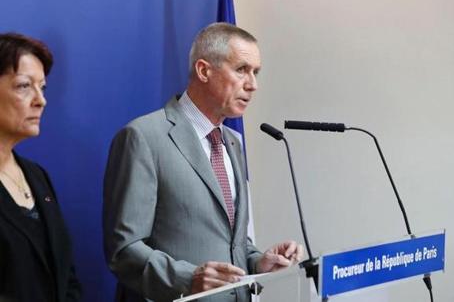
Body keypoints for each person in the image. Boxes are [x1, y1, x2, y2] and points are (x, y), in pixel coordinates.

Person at [103, 22, 303, 302]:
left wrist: (258, 261)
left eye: (256, 72)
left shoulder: (232, 142)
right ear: (203, 70)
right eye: (241, 69)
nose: (252, 85)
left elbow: (229, 241)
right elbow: (124, 249)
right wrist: (187, 278)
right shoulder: (144, 137)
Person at [0, 33, 82, 302]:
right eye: (24, 86)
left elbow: (65, 275)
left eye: (42, 87)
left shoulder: (37, 176)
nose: (41, 100)